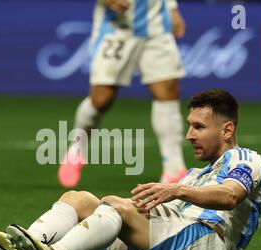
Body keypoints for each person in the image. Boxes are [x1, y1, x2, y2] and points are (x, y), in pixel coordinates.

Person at [0, 89, 261, 250]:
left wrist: (175, 190)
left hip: (209, 246)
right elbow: (163, 212)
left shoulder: (245, 159)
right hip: (176, 239)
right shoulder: (195, 174)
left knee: (114, 205)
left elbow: (229, 196)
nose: (189, 135)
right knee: (79, 199)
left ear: (227, 129)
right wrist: (147, 201)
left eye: (199, 127)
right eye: (189, 125)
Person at [57, 0, 188, 187]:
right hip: (116, 27)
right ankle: (77, 148)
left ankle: (174, 168)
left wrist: (172, 8)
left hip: (156, 26)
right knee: (102, 99)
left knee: (167, 91)